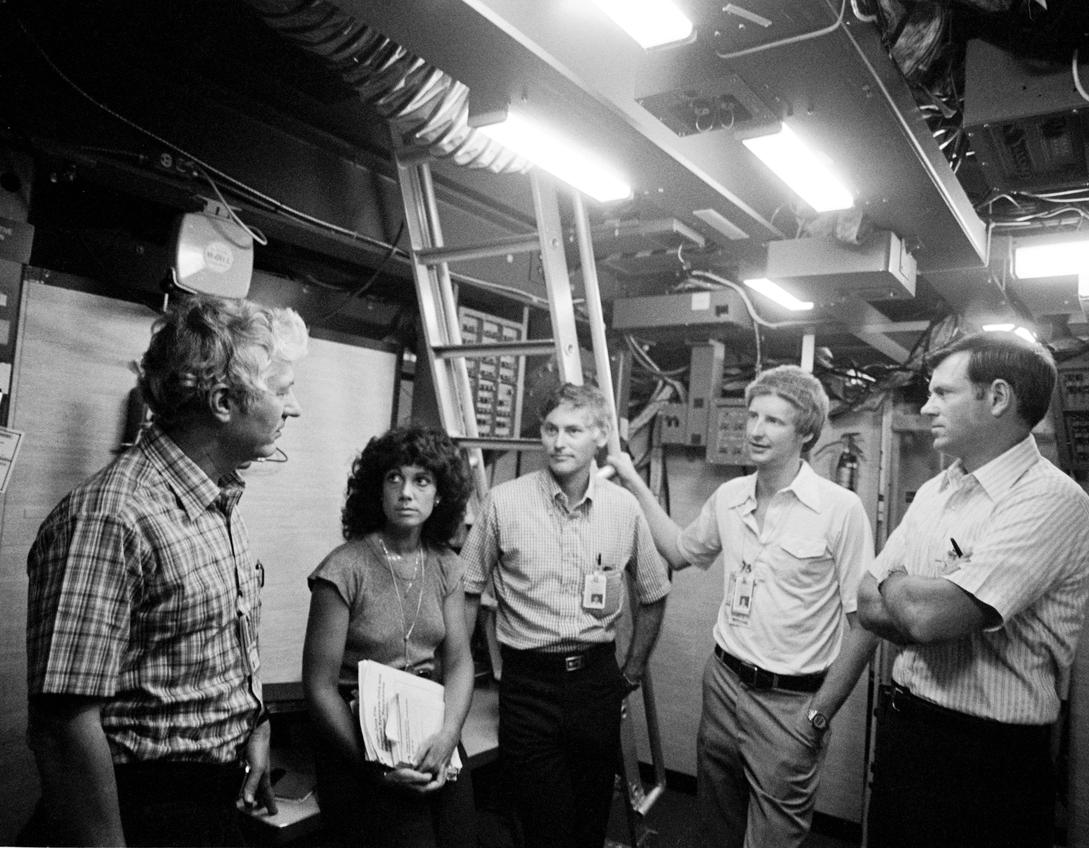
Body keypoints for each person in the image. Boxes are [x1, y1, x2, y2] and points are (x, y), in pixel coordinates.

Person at [26, 294, 308, 846]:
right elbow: (62, 725)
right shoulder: (110, 515)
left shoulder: (216, 500)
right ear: (225, 401)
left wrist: (250, 729)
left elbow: (202, 648)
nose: (292, 409)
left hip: (210, 798)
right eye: (282, 391)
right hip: (144, 810)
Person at [609, 365, 878, 848]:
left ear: (807, 432)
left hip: (791, 704)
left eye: (773, 421)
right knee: (716, 831)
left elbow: (867, 626)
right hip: (724, 686)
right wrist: (630, 476)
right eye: (752, 416)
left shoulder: (841, 510)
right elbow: (677, 550)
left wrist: (819, 715)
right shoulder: (730, 496)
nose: (755, 429)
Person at [856, 331, 1089, 848]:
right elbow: (865, 601)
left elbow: (926, 618)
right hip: (906, 734)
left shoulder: (1053, 500)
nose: (926, 406)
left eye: (943, 393)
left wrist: (898, 585)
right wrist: (912, 596)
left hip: (987, 761)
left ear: (998, 398)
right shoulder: (935, 491)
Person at [461, 382, 671, 848]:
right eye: (551, 429)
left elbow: (655, 593)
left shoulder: (623, 509)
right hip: (527, 685)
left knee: (591, 819)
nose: (559, 441)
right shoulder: (504, 502)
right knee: (542, 824)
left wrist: (630, 673)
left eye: (573, 430)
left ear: (601, 436)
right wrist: (469, 667)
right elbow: (467, 589)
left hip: (596, 682)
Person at [302, 426, 476, 848]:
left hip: (430, 731)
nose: (406, 492)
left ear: (440, 495)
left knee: (461, 839)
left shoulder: (446, 565)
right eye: (393, 478)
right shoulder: (343, 568)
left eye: (422, 480)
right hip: (358, 743)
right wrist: (374, 764)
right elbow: (319, 687)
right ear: (376, 491)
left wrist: (450, 732)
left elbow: (458, 662)